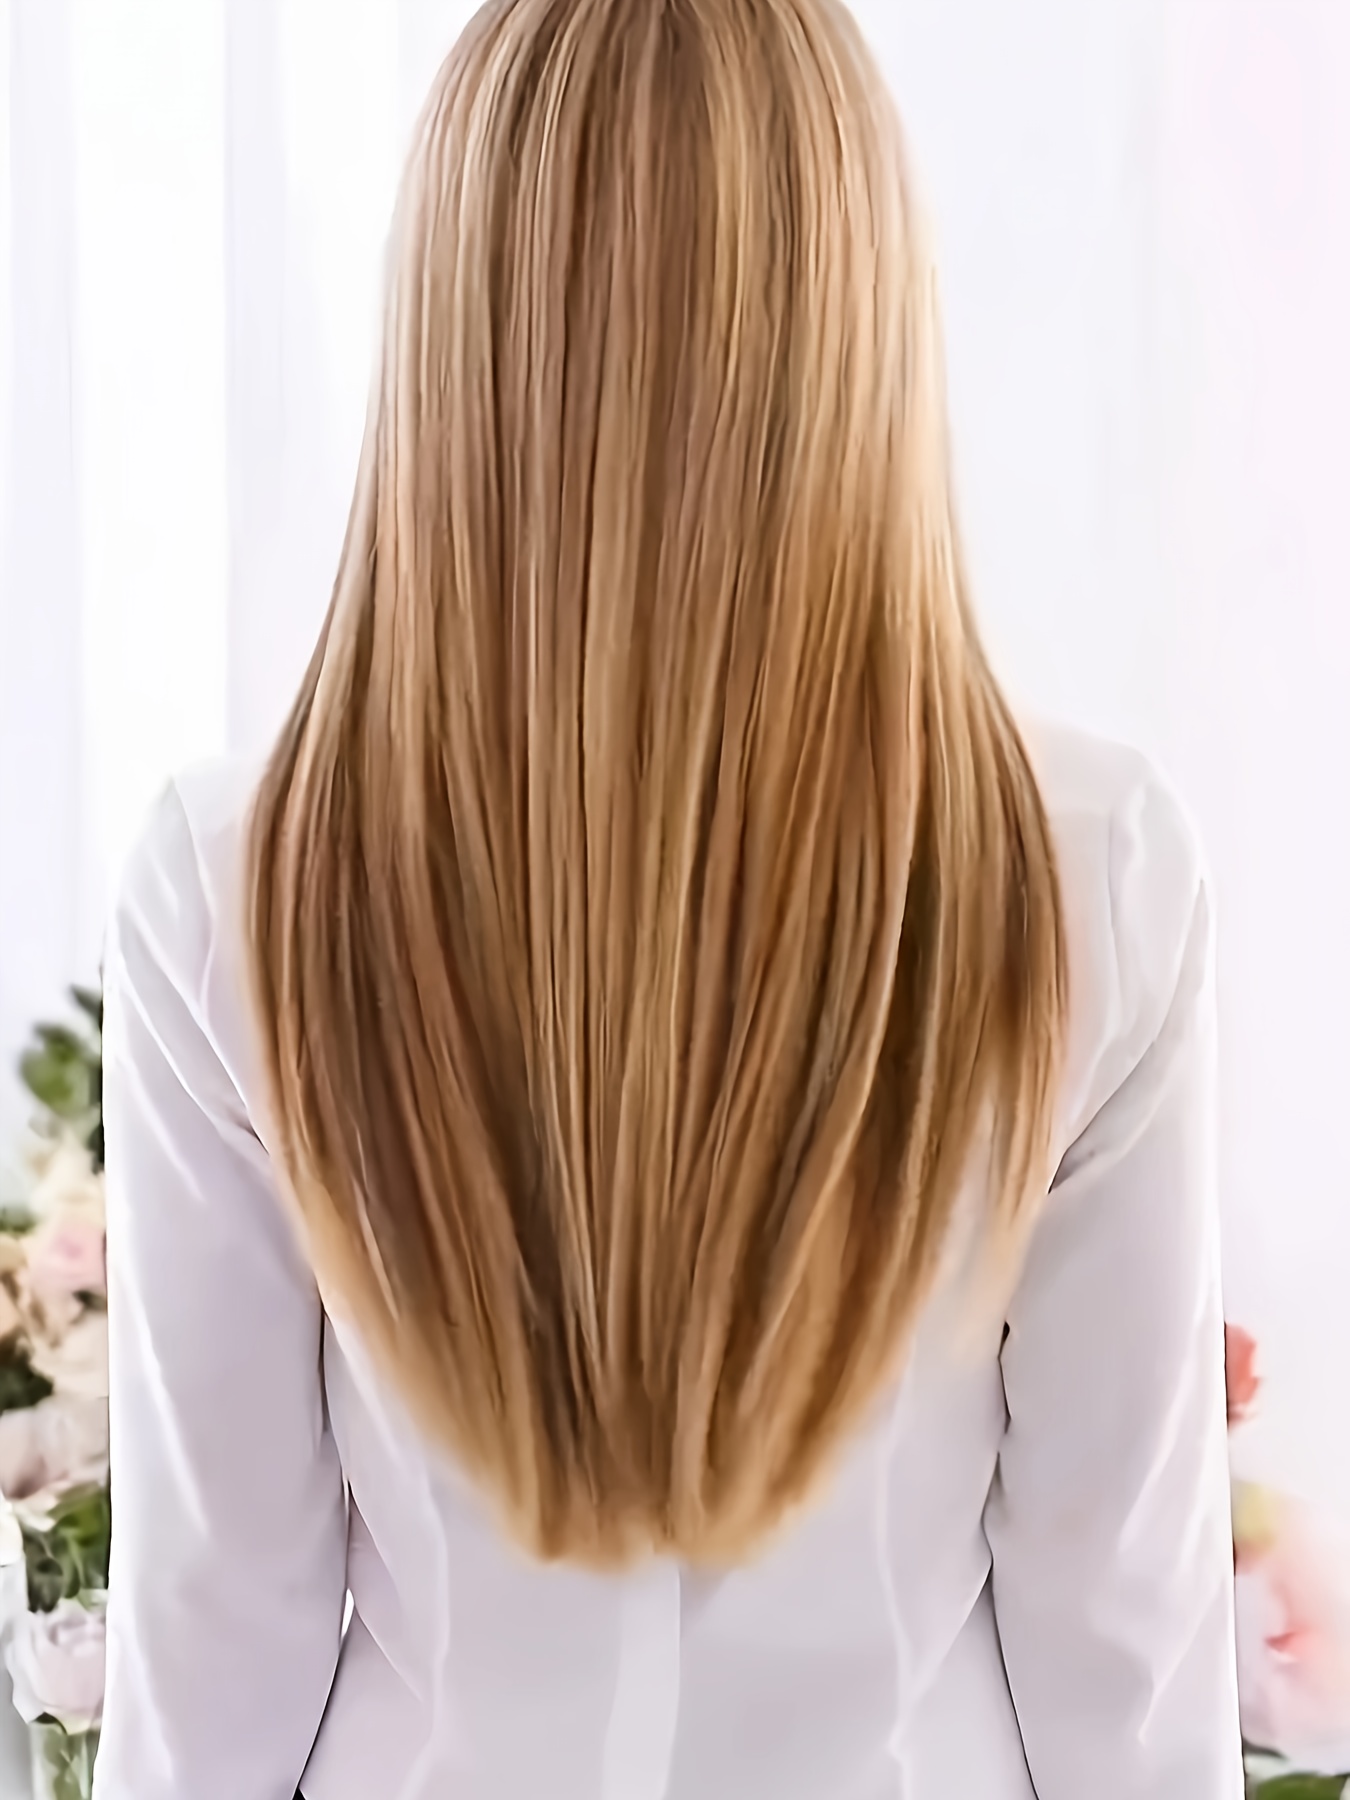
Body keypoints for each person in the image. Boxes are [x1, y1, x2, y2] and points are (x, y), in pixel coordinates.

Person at [95, 1, 1242, 1795]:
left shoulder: (236, 887)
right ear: (856, 329)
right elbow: (1125, 1683)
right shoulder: (1088, 873)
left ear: (456, 337)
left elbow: (212, 1670)